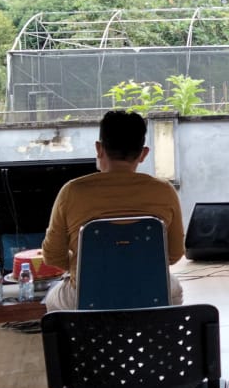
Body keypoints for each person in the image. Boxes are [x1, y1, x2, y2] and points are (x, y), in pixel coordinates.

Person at [41, 110, 186, 311]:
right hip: (148, 290)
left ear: (99, 149)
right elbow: (175, 253)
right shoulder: (164, 191)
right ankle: (155, 329)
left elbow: (52, 255)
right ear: (143, 154)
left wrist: (85, 267)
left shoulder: (72, 191)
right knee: (175, 290)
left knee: (51, 299)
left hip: (87, 293)